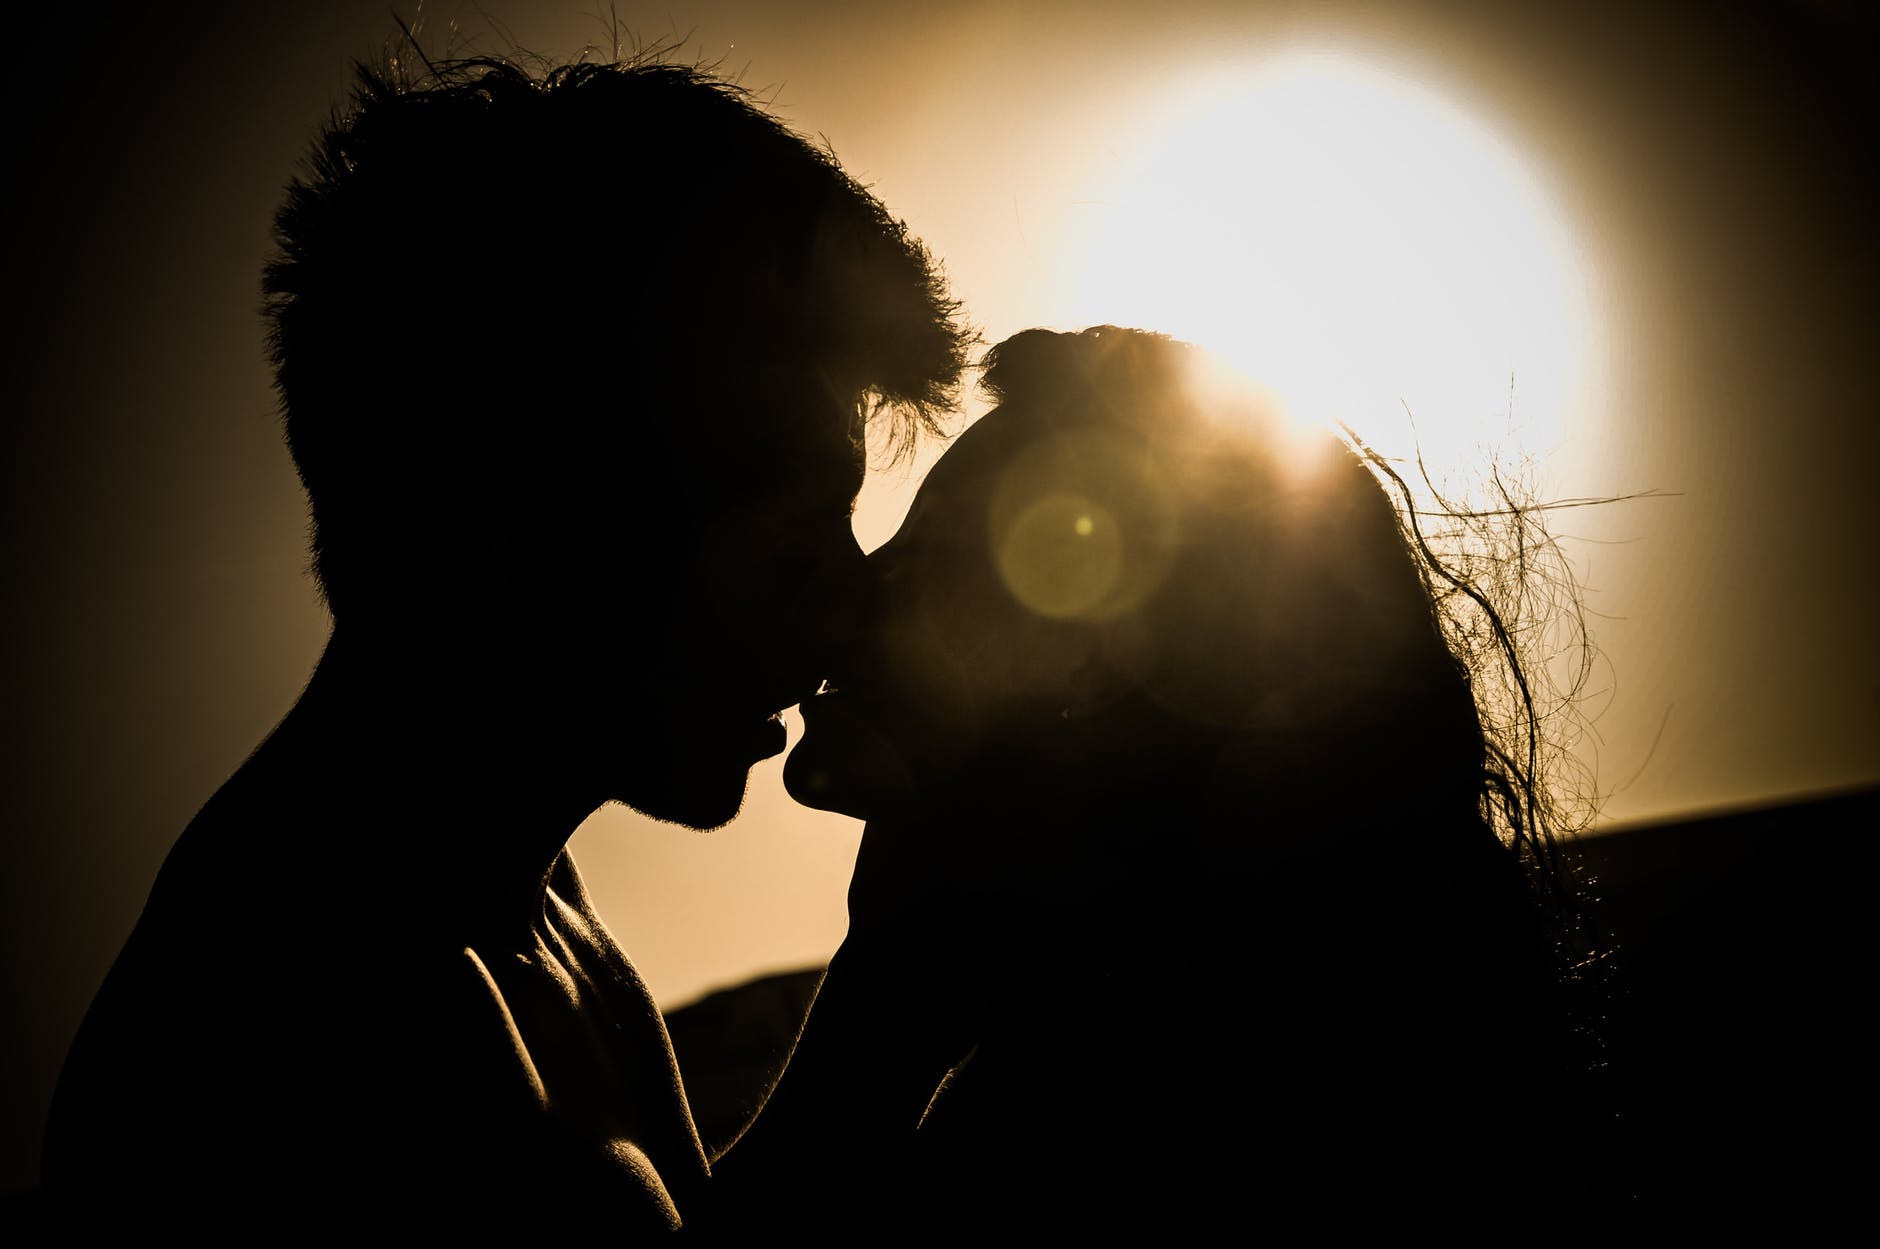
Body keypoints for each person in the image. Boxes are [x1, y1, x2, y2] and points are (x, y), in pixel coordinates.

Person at [39, 52, 970, 1232]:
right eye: (792, 554)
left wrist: (901, 974)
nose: (846, 611)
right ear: (562, 537)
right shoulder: (330, 1038)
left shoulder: (519, 898)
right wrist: (898, 1009)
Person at [784, 326, 1619, 1233]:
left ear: (1100, 659)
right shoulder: (1235, 1035)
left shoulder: (1113, 1131)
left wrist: (868, 1046)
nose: (861, 587)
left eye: (931, 549)